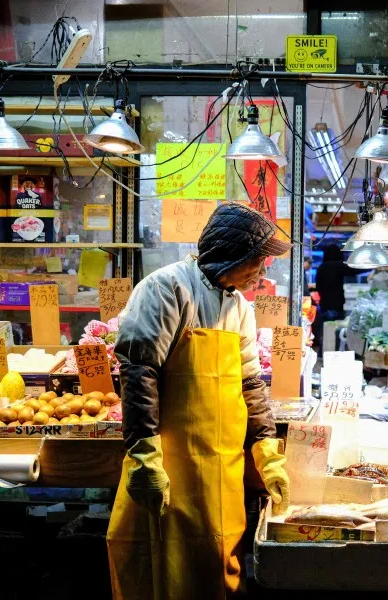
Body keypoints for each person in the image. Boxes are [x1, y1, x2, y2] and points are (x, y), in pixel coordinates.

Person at [108, 202, 292, 600]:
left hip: (220, 465)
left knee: (217, 560)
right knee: (164, 565)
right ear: (233, 256)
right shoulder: (166, 288)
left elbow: (250, 382)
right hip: (171, 463)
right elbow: (140, 371)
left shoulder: (240, 307)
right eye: (257, 263)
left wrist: (266, 448)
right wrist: (144, 453)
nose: (261, 273)